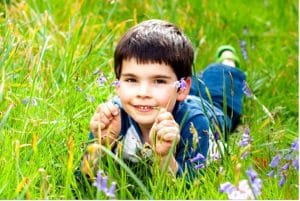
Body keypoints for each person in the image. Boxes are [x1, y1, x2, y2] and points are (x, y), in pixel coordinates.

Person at [79, 19, 246, 182]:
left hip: (208, 107)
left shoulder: (194, 123)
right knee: (181, 80)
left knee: (221, 94)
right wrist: (100, 144)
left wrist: (165, 157)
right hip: (169, 96)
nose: (143, 93)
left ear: (182, 88)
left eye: (158, 81)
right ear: (117, 83)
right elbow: (81, 182)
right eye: (131, 80)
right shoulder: (113, 118)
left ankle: (227, 62)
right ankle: (181, 79)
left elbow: (189, 187)